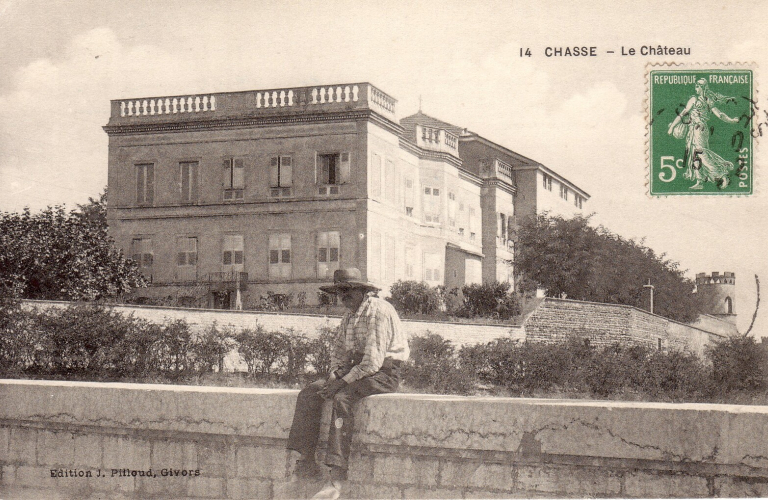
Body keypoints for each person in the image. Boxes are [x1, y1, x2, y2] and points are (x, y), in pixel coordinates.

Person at [286, 268, 410, 500]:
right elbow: (339, 352)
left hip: (384, 373)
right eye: (340, 291)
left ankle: (336, 477)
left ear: (362, 291)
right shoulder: (349, 316)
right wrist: (334, 377)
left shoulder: (378, 312)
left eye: (348, 291)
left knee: (343, 398)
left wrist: (340, 383)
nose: (343, 296)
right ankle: (306, 462)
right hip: (356, 371)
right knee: (310, 392)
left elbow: (373, 362)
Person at [667, 78, 739, 189]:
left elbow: (719, 114)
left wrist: (731, 120)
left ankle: (722, 174)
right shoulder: (699, 99)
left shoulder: (701, 100)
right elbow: (683, 114)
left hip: (699, 129)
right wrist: (672, 127)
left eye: (698, 85)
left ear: (703, 87)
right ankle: (699, 181)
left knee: (701, 154)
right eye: (696, 85)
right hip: (695, 130)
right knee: (695, 154)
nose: (696, 87)